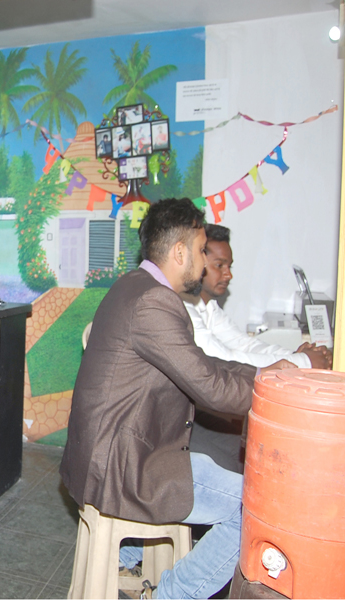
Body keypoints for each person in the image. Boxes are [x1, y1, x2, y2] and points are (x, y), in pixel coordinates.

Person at [59, 198, 294, 599]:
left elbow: (199, 364)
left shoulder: (133, 285)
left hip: (104, 455)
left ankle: (128, 558)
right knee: (254, 508)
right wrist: (271, 390)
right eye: (202, 251)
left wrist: (262, 375)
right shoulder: (155, 302)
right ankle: (171, 594)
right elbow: (209, 385)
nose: (203, 264)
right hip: (123, 468)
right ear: (180, 252)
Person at [182, 223, 331, 370]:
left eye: (229, 266)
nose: (229, 275)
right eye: (219, 265)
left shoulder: (209, 307)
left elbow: (245, 344)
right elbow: (224, 358)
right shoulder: (184, 307)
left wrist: (295, 355)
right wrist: (303, 361)